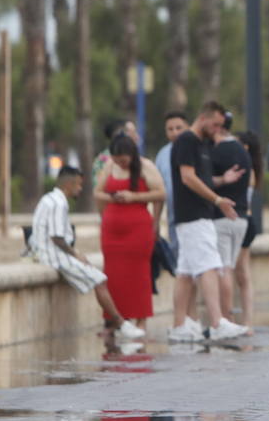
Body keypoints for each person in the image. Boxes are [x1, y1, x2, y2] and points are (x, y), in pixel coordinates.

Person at [28, 166, 143, 338]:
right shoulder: (59, 203)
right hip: (53, 255)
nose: (80, 189)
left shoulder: (49, 198)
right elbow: (57, 238)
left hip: (43, 251)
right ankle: (121, 324)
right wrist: (76, 255)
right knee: (100, 280)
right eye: (79, 185)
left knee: (97, 277)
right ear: (69, 184)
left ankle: (119, 324)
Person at [167, 101, 246, 343]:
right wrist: (217, 199)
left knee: (186, 272)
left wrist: (221, 183)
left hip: (199, 215)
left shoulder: (201, 145)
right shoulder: (187, 141)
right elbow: (187, 178)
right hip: (193, 216)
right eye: (215, 124)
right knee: (210, 266)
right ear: (204, 118)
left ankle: (180, 325)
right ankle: (217, 322)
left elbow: (203, 179)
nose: (217, 130)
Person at [95, 133, 166, 330]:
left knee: (139, 277)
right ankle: (116, 320)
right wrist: (113, 198)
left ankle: (140, 321)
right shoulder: (109, 166)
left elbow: (161, 193)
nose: (121, 164)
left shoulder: (146, 166)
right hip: (112, 230)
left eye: (124, 160)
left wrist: (133, 196)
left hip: (138, 230)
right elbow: (97, 192)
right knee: (113, 276)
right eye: (117, 160)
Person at [210, 112, 253, 333]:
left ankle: (226, 318)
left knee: (224, 268)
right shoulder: (242, 151)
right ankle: (233, 319)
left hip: (222, 217)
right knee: (232, 267)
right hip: (242, 218)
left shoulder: (215, 152)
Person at [234, 130, 265, 335]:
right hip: (246, 221)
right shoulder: (252, 170)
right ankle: (245, 321)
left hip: (241, 220)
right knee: (241, 273)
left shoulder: (246, 171)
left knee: (241, 274)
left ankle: (246, 321)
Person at [154, 111, 190, 254]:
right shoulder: (162, 155)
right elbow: (159, 191)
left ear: (187, 127)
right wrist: (155, 221)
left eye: (178, 128)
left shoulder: (197, 148)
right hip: (173, 217)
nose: (174, 132)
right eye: (170, 129)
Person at [93, 118, 140, 194]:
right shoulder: (104, 160)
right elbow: (99, 191)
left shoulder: (135, 157)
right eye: (133, 133)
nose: (137, 137)